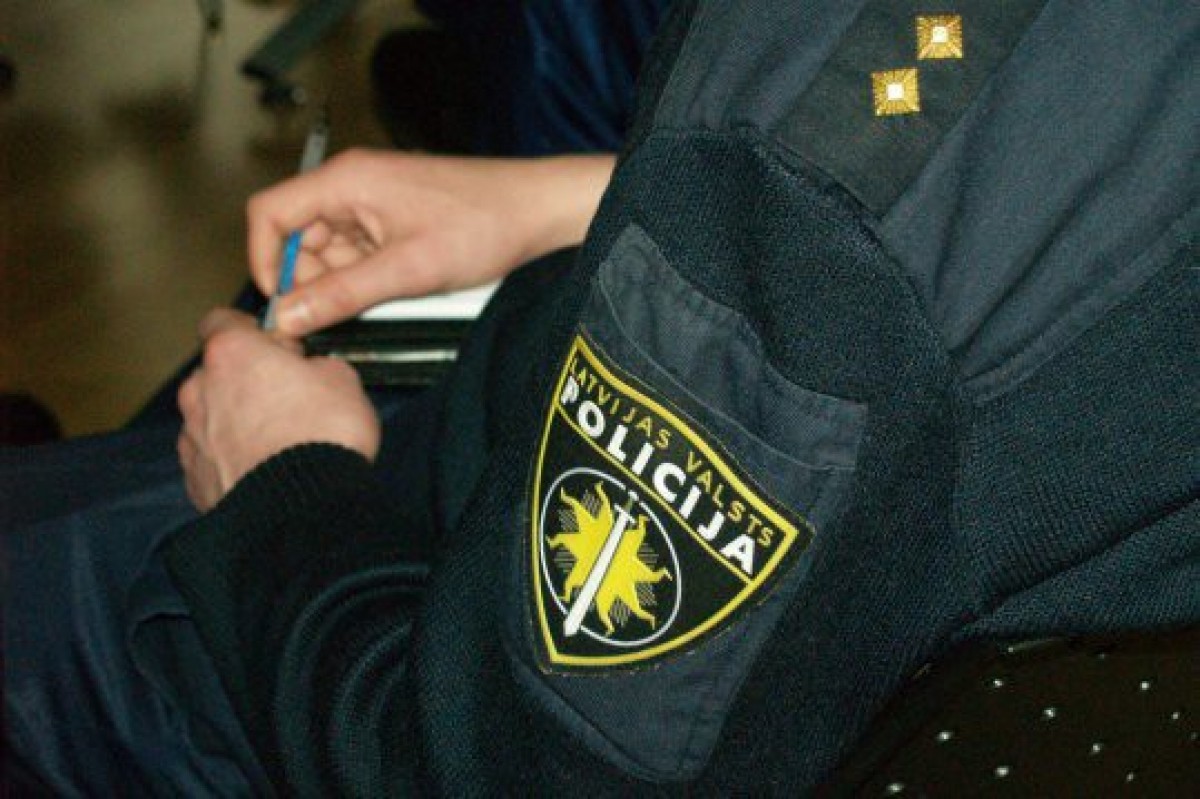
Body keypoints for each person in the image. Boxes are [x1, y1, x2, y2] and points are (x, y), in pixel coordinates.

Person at [4, 0, 1197, 794]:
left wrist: (278, 486)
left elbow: (498, 771)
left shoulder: (828, 217)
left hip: (402, 641)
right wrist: (571, 200)